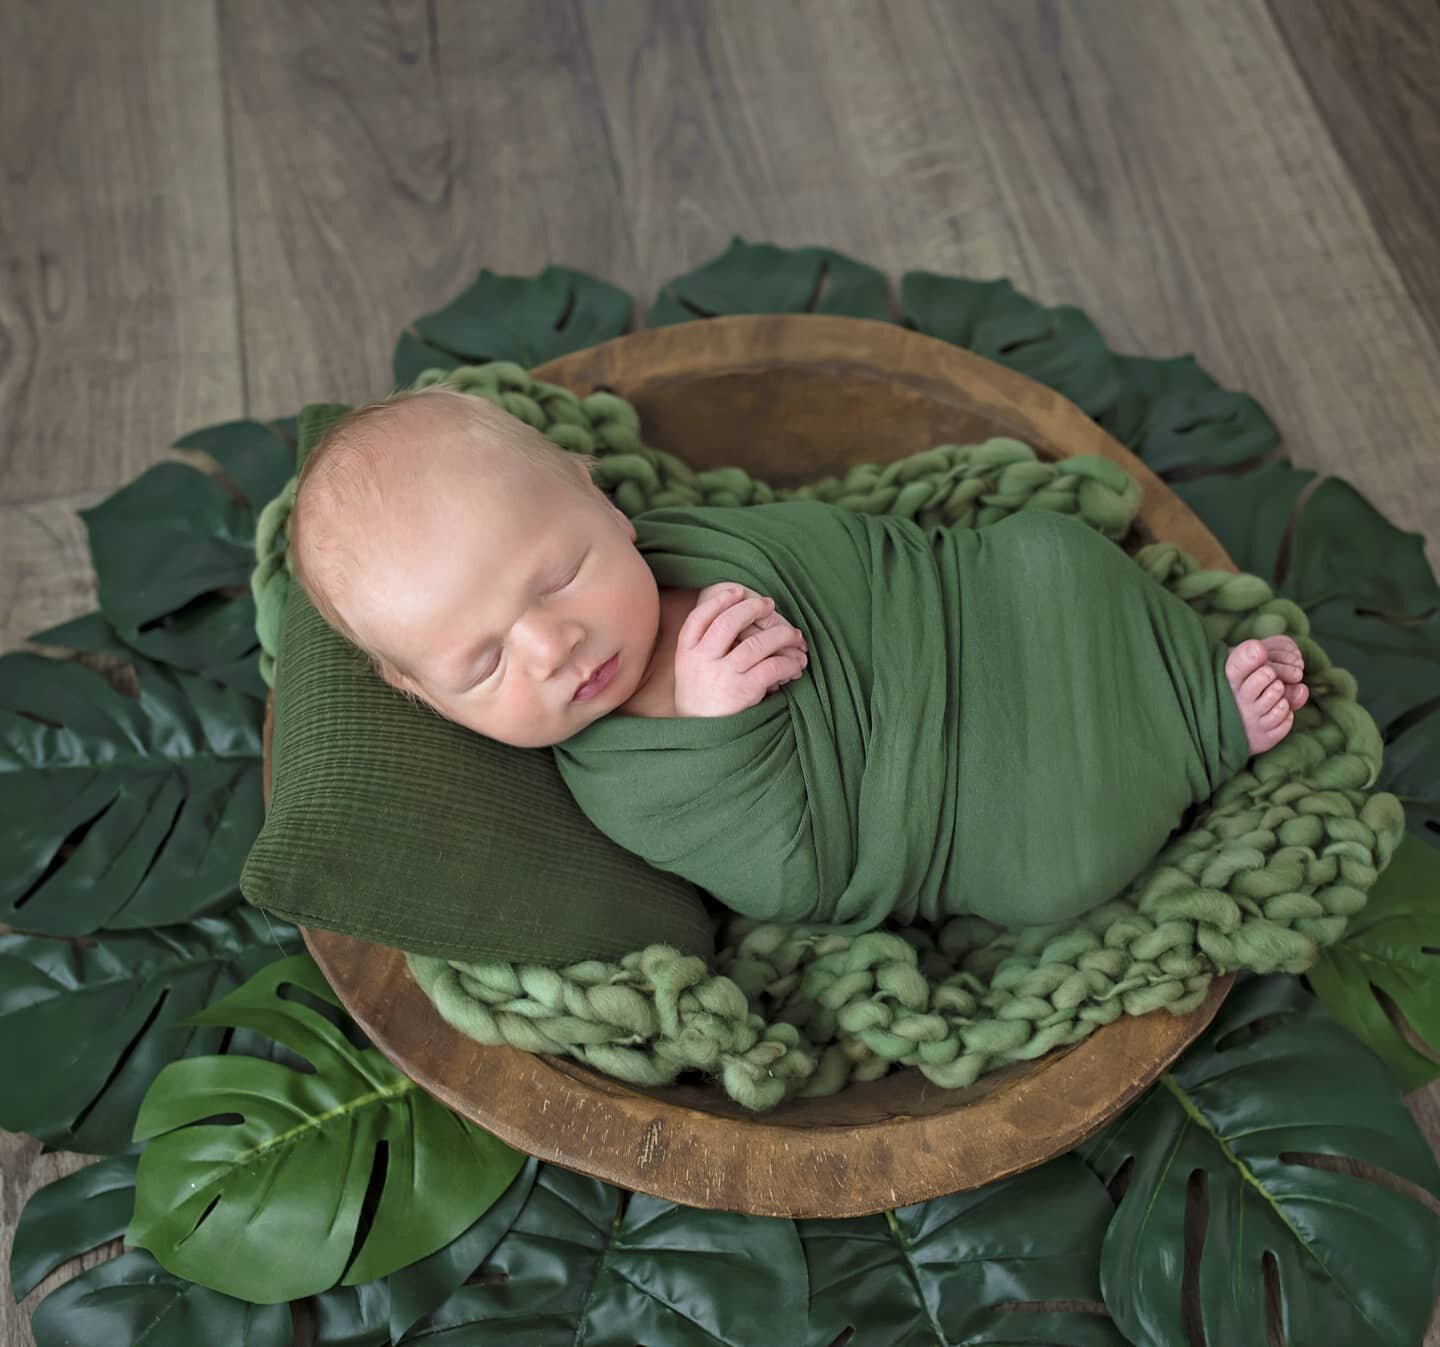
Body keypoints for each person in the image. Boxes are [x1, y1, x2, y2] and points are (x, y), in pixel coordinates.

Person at [287, 384, 1311, 931]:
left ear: (599, 495)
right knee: (1059, 866)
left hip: (966, 615)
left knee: (1055, 552)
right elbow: (789, 883)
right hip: (950, 805)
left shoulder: (688, 538)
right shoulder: (625, 784)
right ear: (420, 698)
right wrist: (728, 722)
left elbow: (855, 550)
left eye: (557, 577)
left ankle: (1185, 665)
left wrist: (895, 581)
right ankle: (1210, 733)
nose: (555, 646)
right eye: (482, 666)